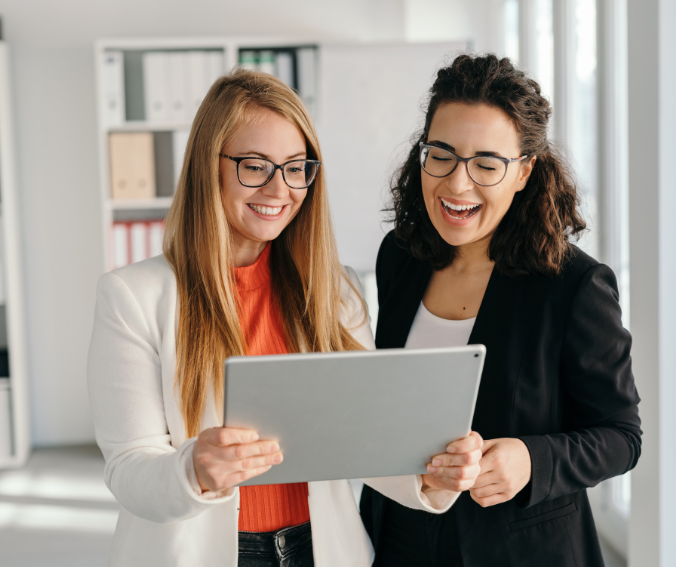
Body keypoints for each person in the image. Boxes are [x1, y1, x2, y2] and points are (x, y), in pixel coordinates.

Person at [87, 69, 483, 567]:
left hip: (318, 549)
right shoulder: (133, 296)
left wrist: (429, 474)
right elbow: (128, 470)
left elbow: (357, 439)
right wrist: (195, 469)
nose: (280, 189)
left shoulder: (336, 290)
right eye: (254, 166)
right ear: (208, 166)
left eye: (297, 168)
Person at [360, 54, 642, 567]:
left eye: (486, 164)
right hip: (399, 536)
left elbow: (621, 436)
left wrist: (532, 459)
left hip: (522, 550)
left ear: (524, 172)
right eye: (441, 155)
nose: (457, 185)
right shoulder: (398, 256)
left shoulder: (574, 285)